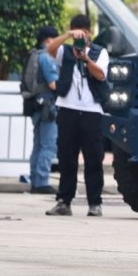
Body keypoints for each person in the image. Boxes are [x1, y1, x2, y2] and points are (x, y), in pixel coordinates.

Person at [44, 14, 111, 217]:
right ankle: (64, 201)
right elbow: (49, 50)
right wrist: (67, 35)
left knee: (94, 159)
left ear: (90, 33)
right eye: (78, 34)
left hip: (92, 111)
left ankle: (95, 203)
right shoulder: (65, 51)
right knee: (66, 158)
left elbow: (100, 74)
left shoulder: (100, 52)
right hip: (67, 109)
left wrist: (85, 58)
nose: (81, 38)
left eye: (84, 33)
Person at [26, 25, 60, 195]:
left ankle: (35, 181)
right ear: (48, 41)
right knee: (48, 145)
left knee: (38, 144)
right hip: (47, 105)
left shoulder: (34, 54)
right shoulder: (46, 57)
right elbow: (54, 83)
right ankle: (42, 182)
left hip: (36, 105)